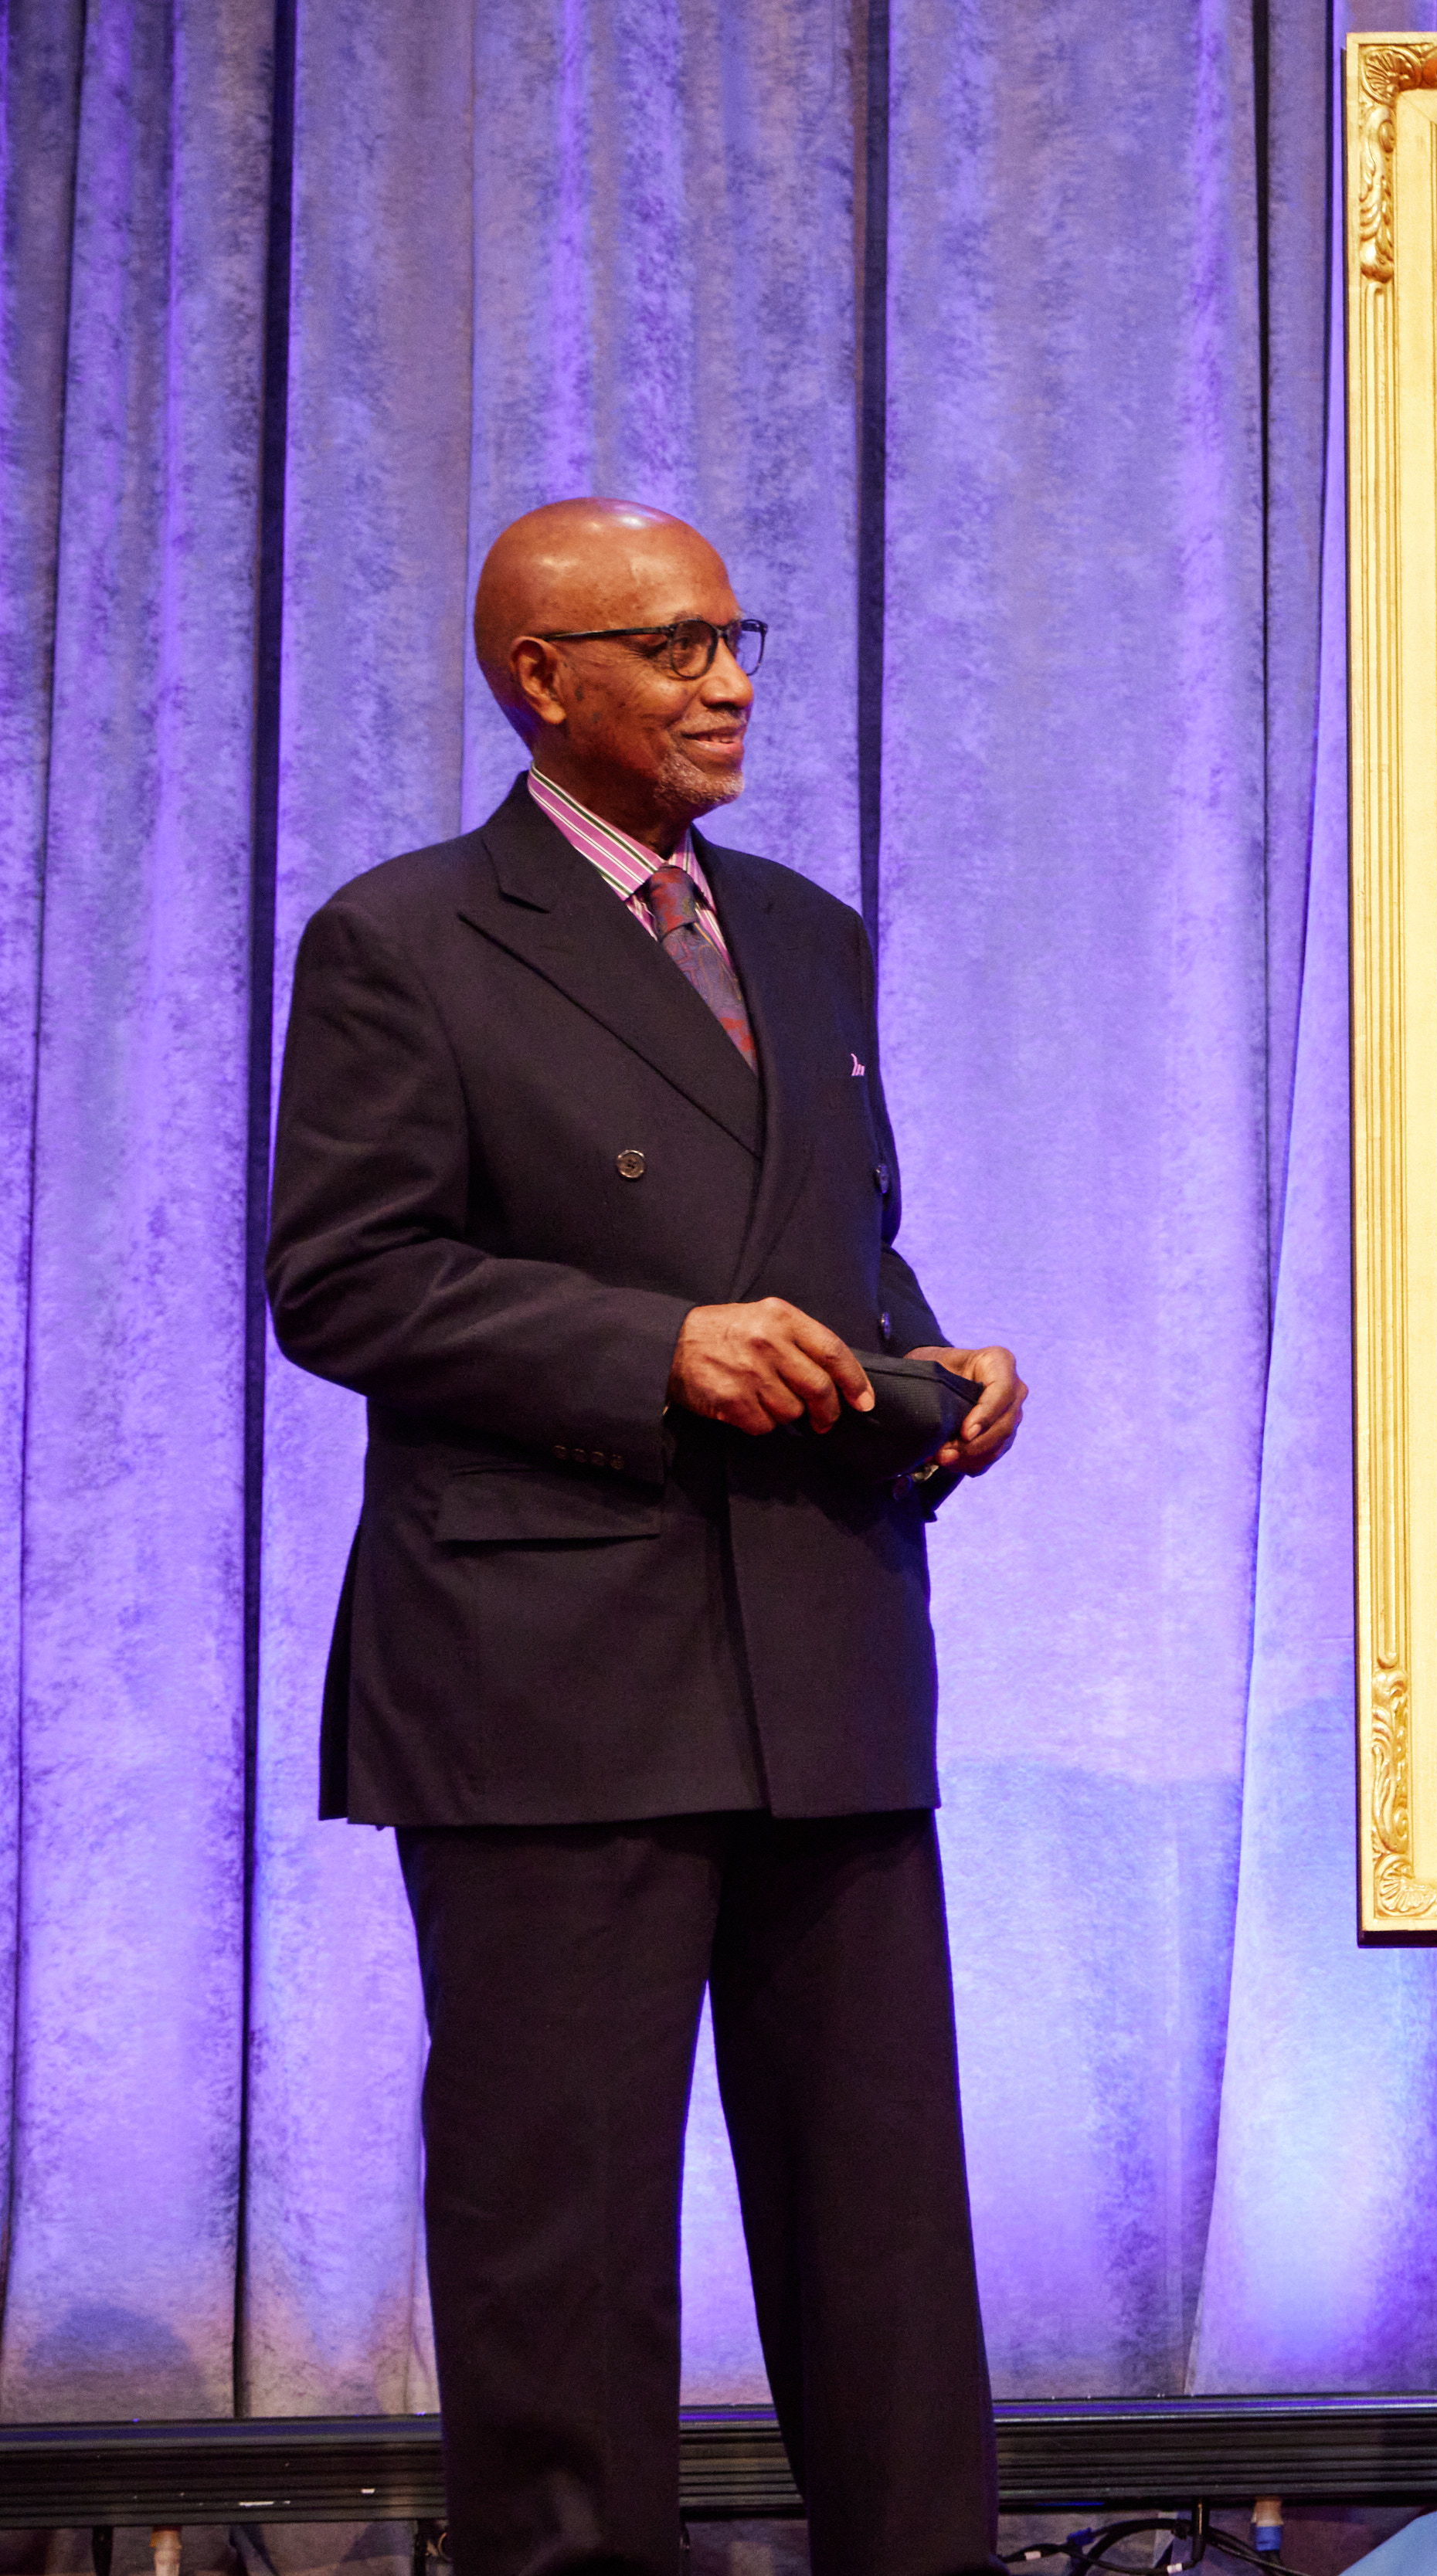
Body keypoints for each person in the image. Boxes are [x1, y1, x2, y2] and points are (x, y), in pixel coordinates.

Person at [267, 498, 1026, 2576]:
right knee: (563, 2246)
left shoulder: (800, 930)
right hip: (551, 1689)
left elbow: (822, 1244)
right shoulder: (405, 939)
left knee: (881, 2234)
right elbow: (342, 1280)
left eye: (733, 637)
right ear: (544, 681)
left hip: (823, 1651)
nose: (730, 681)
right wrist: (655, 1351)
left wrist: (918, 1364)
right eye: (676, 646)